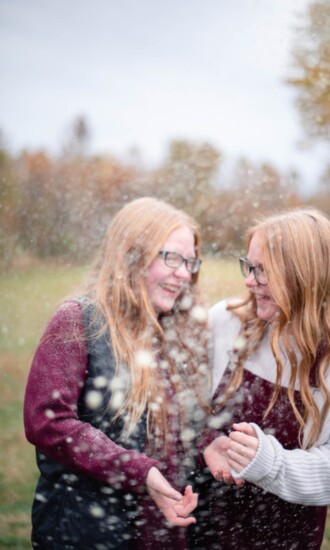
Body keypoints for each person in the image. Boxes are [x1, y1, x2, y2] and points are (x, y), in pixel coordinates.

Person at [24, 197, 210, 550]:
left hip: (155, 529)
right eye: (171, 257)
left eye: (189, 262)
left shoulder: (171, 331)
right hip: (84, 531)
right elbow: (47, 422)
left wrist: (208, 446)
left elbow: (174, 425)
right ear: (132, 254)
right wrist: (138, 470)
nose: (184, 273)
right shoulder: (79, 319)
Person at [193, 208, 330, 550]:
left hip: (283, 538)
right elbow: (181, 404)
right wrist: (206, 441)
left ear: (304, 276)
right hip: (198, 526)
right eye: (249, 266)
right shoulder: (226, 322)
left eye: (262, 271)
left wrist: (268, 463)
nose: (248, 280)